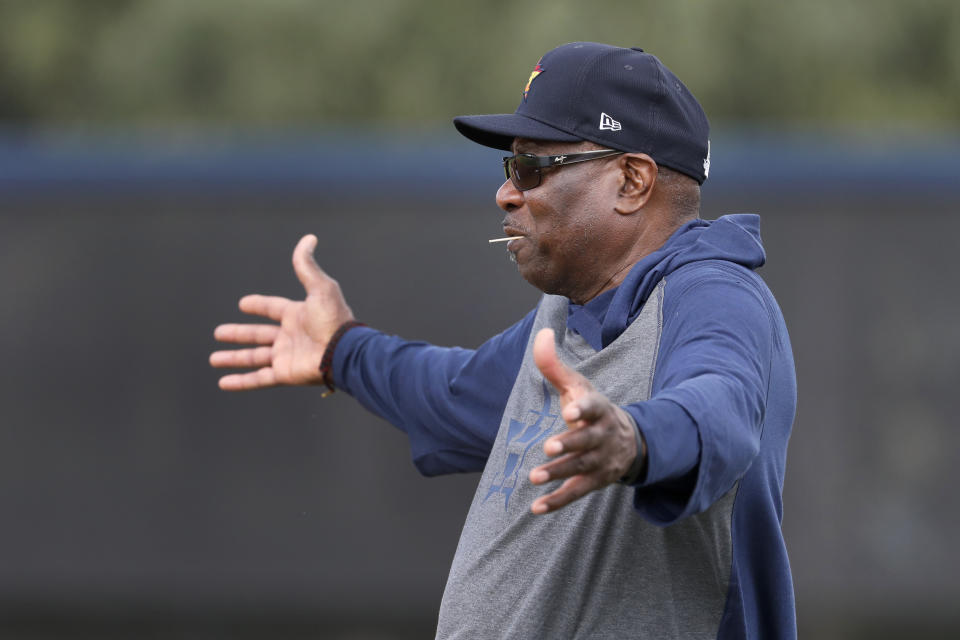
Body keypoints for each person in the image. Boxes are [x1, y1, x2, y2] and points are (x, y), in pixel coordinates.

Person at [210, 42, 797, 640]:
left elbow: (722, 407)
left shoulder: (714, 292)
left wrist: (633, 438)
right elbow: (449, 393)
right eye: (510, 169)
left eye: (534, 169)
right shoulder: (564, 319)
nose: (507, 193)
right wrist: (342, 350)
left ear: (631, 181)